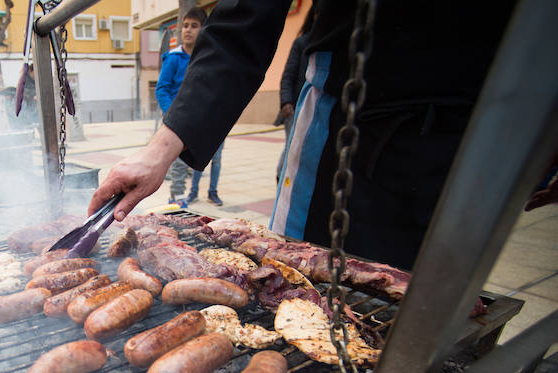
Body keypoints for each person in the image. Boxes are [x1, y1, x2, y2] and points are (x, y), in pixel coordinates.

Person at [90, 0, 517, 271]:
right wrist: (160, 152)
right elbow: (243, 25)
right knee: (294, 269)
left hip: (482, 124)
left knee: (426, 291)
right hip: (344, 122)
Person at [155, 7, 208, 209]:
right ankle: (176, 196)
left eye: (194, 26)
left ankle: (197, 192)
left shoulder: (206, 57)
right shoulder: (174, 57)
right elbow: (162, 89)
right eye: (185, 26)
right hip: (178, 119)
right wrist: (172, 116)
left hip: (203, 118)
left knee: (206, 157)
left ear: (203, 29)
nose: (188, 30)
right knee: (177, 162)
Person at [274, 5, 315, 182]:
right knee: (292, 146)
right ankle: (281, 179)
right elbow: (288, 75)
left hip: (315, 107)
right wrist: (286, 101)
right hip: (295, 107)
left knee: (306, 148)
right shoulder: (302, 43)